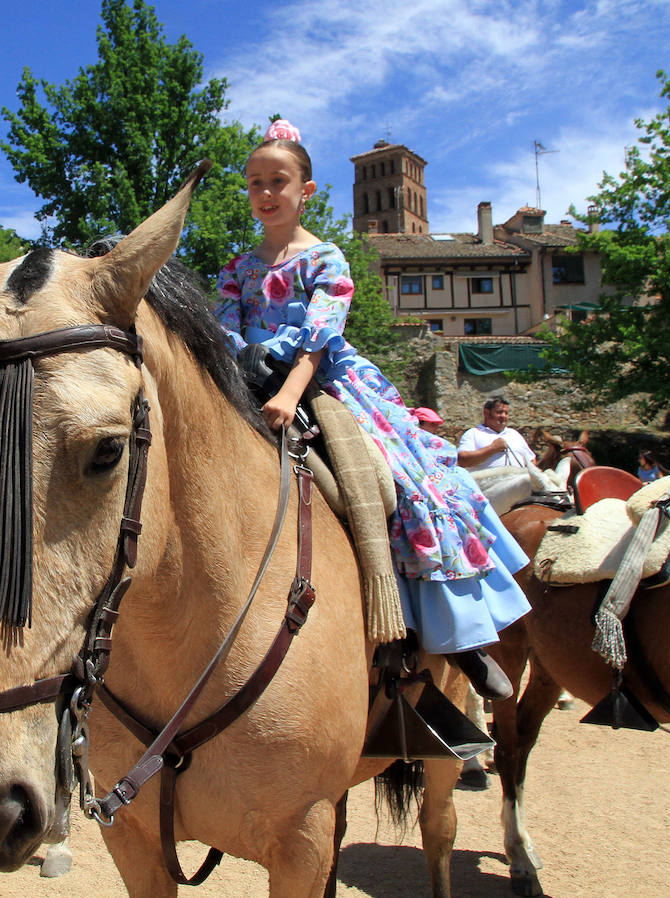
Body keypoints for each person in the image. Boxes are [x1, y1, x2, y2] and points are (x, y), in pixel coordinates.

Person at [215, 120, 529, 700]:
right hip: (248, 375)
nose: (264, 192)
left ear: (305, 189)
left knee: (411, 483)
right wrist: (246, 369)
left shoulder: (327, 258)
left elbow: (319, 333)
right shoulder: (237, 268)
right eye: (255, 182)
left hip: (322, 378)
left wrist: (288, 392)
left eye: (277, 180)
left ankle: (457, 634)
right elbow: (225, 327)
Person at [456, 398, 537, 470]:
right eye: (499, 412)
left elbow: (531, 460)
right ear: (486, 413)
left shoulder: (514, 434)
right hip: (487, 486)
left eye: (506, 413)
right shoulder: (473, 433)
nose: (503, 416)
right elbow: (462, 461)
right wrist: (492, 448)